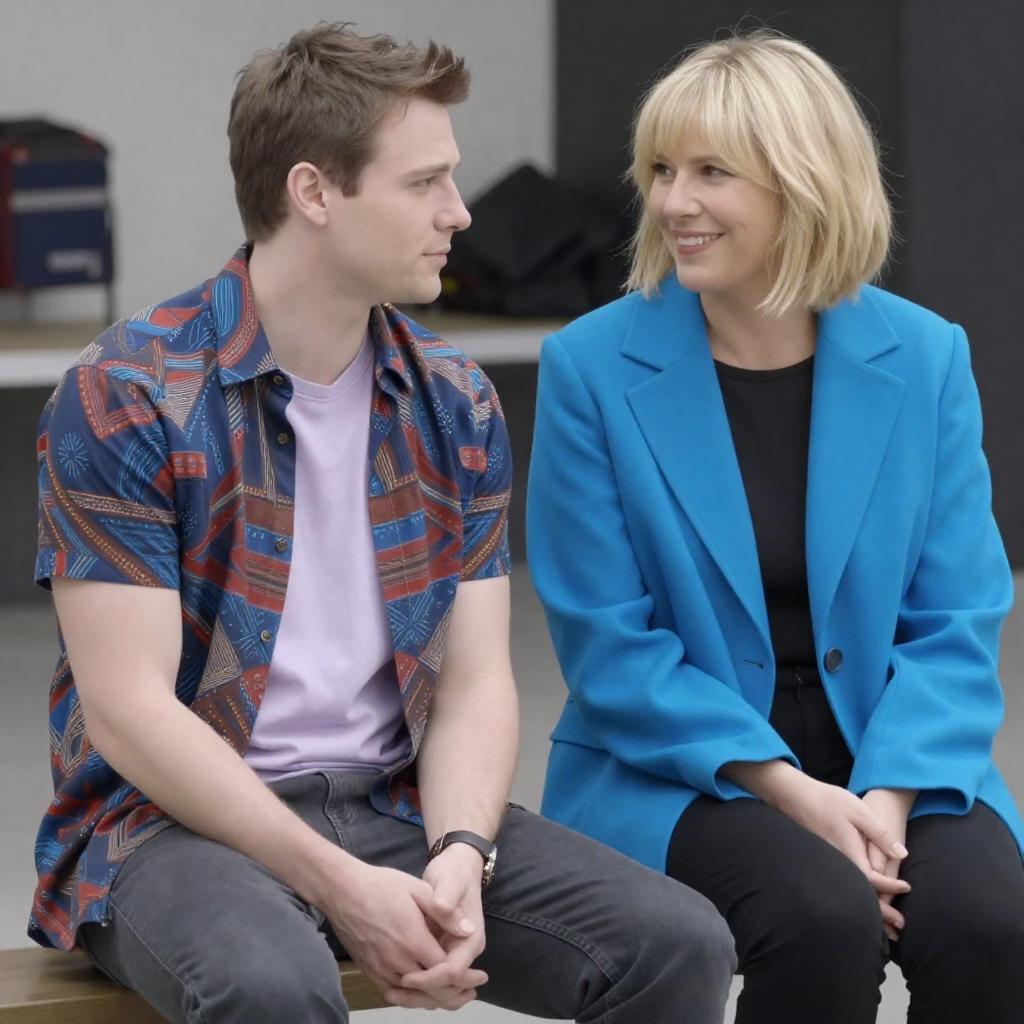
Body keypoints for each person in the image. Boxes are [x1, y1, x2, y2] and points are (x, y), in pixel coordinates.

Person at [29, 22, 737, 1024]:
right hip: (168, 826)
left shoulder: (454, 399)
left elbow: (476, 681)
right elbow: (129, 713)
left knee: (677, 944)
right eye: (425, 182)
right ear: (314, 193)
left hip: (394, 805)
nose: (459, 212)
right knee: (271, 986)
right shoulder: (128, 393)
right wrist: (337, 884)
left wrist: (461, 852)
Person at [528, 29, 1024, 1024]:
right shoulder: (589, 369)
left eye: (711, 172)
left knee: (990, 922)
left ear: (804, 184)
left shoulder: (925, 357)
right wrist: (793, 794)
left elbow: (958, 616)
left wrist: (885, 798)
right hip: (678, 761)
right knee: (822, 916)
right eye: (661, 170)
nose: (673, 202)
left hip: (891, 741)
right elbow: (610, 648)